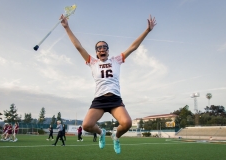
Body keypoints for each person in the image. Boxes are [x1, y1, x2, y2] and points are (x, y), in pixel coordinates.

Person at [60, 14, 156, 154]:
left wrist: (147, 30)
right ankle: (101, 133)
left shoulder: (116, 60)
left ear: (108, 50)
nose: (102, 49)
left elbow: (133, 47)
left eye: (105, 47)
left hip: (115, 99)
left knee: (127, 123)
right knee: (86, 125)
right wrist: (67, 27)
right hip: (99, 99)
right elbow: (78, 47)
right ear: (97, 53)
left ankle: (116, 138)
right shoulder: (92, 62)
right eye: (99, 48)